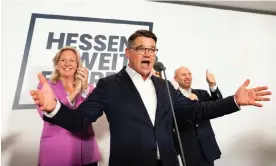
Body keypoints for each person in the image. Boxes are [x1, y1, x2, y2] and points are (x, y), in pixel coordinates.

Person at [30, 30, 271, 166]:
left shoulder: (164, 84)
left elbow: (195, 111)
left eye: (152, 49)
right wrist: (55, 108)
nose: (148, 53)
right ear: (128, 53)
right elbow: (80, 120)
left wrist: (234, 101)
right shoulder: (109, 85)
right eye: (142, 49)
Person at [36, 46, 101, 166]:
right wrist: (74, 92)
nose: (67, 63)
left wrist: (84, 89)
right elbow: (47, 116)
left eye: (72, 60)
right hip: (57, 152)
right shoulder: (46, 86)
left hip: (85, 151)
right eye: (63, 60)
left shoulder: (89, 88)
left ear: (78, 65)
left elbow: (89, 115)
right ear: (57, 64)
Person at [174, 66, 223, 166]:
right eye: (183, 75)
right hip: (188, 150)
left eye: (189, 74)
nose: (187, 77)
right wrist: (192, 102)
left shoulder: (202, 94)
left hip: (207, 147)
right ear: (176, 79)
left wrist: (212, 85)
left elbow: (219, 106)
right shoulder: (172, 98)